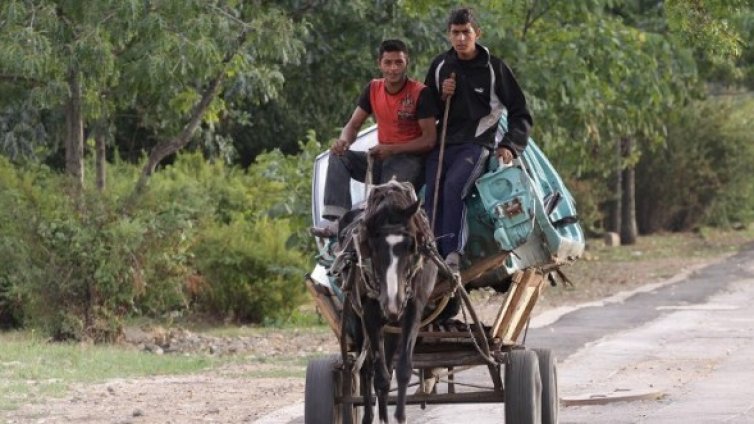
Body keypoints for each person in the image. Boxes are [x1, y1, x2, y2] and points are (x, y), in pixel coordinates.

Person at [424, 7, 533, 274]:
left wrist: (509, 145)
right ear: (449, 35)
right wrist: (441, 95)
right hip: (443, 144)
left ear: (477, 33)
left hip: (477, 145)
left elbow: (521, 113)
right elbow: (427, 111)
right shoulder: (440, 66)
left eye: (466, 32)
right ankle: (429, 254)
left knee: (453, 188)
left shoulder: (494, 68)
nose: (461, 38)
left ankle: (452, 254)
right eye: (455, 33)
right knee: (431, 193)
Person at [321, 39, 439, 227]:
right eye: (388, 63)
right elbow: (353, 125)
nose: (393, 68)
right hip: (381, 159)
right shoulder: (373, 88)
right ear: (380, 64)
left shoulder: (420, 93)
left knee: (384, 200)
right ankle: (338, 223)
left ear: (407, 62)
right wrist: (343, 141)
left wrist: (392, 149)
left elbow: (429, 140)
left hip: (409, 160)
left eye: (398, 62)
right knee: (338, 156)